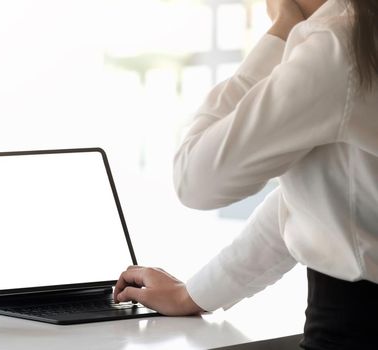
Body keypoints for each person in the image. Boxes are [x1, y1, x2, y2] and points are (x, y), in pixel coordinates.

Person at [113, 0, 378, 348]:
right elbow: (325, 204)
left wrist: (280, 33)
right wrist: (193, 294)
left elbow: (195, 177)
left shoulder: (339, 44)